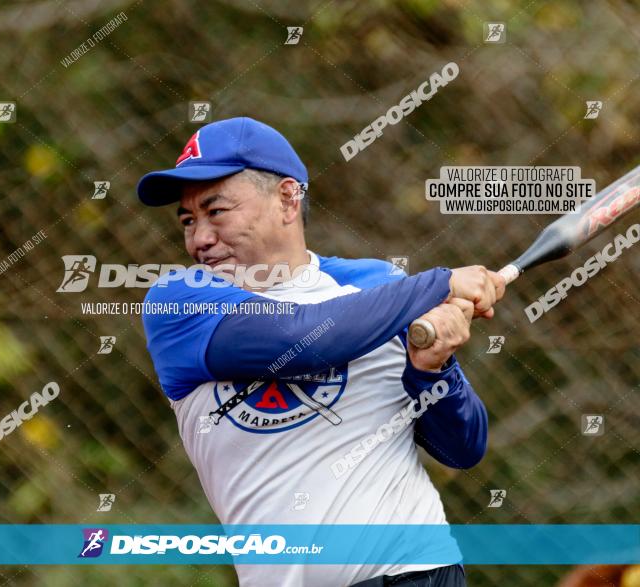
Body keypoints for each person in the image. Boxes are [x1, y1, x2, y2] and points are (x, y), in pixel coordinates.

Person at [136, 116, 505, 586]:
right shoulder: (180, 302)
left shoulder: (379, 286)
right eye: (188, 221)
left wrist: (433, 368)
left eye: (216, 211)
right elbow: (301, 339)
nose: (199, 238)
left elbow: (463, 448)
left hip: (419, 571)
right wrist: (441, 283)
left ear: (288, 199)